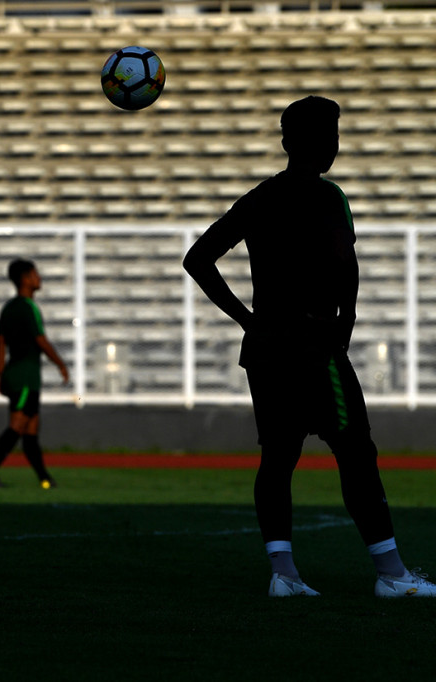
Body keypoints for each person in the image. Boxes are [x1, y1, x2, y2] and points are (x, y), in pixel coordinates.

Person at [183, 96, 436, 598]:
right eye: (333, 136)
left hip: (266, 349)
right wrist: (347, 320)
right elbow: (345, 261)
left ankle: (284, 574)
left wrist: (248, 320)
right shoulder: (328, 196)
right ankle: (391, 575)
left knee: (278, 458)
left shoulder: (260, 197)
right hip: (315, 345)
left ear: (285, 142)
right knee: (356, 451)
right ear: (327, 144)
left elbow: (198, 259)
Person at [0, 259, 69, 490]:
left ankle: (45, 479)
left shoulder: (8, 308)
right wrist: (60, 363)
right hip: (26, 377)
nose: (39, 278)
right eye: (35, 274)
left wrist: (1, 373)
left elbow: (0, 343)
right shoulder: (29, 308)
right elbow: (41, 340)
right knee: (18, 426)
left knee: (30, 430)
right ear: (25, 279)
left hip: (16, 374)